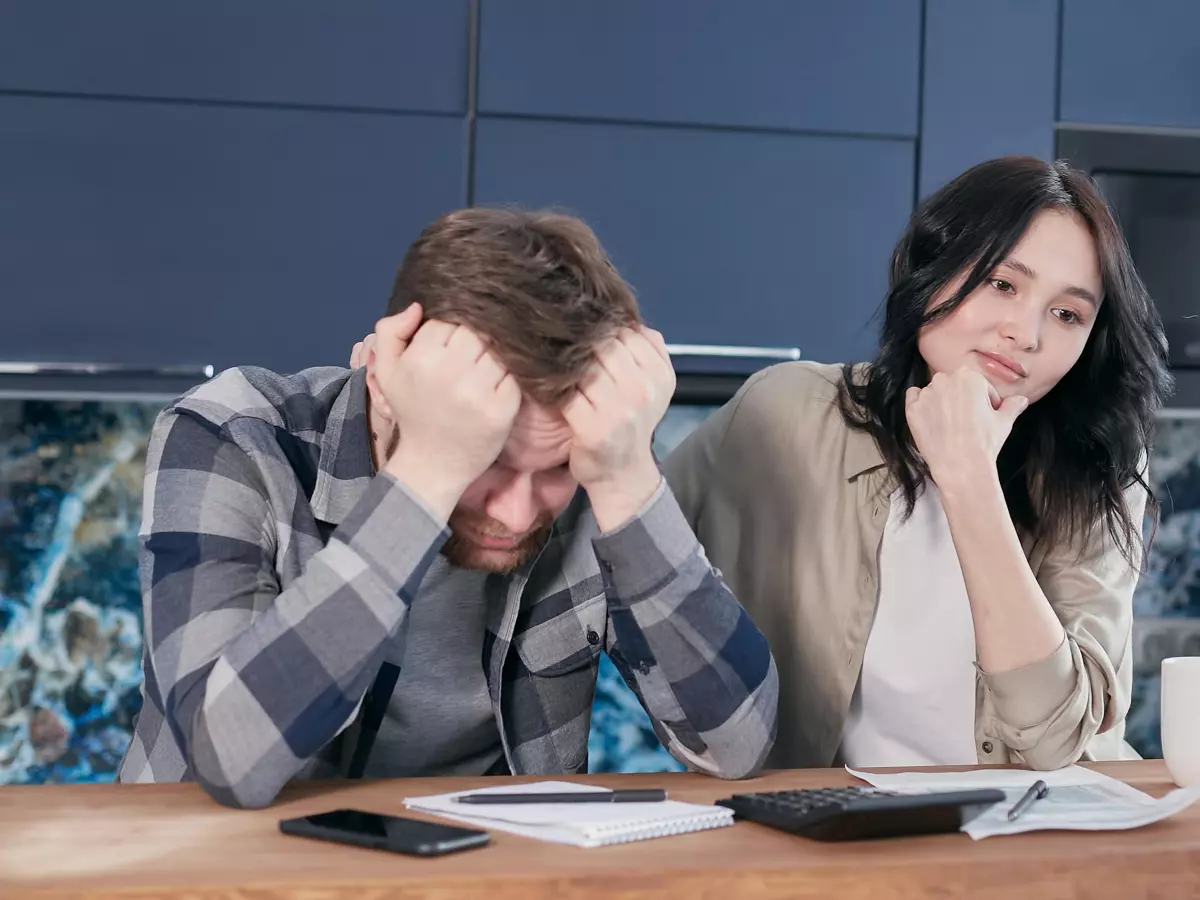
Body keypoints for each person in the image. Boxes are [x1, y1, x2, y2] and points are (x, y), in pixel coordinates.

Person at [118, 208, 778, 808]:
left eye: (552, 471)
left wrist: (629, 478)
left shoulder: (600, 460)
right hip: (218, 870)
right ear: (385, 387)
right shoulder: (231, 435)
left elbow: (736, 747)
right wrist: (428, 472)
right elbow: (230, 762)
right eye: (484, 461)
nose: (518, 515)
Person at [664, 156, 1171, 771]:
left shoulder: (1099, 468)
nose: (1028, 333)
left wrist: (970, 482)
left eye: (1067, 314)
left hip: (1042, 843)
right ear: (929, 268)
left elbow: (1053, 744)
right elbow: (618, 554)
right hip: (829, 843)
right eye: (1003, 284)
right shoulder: (788, 411)